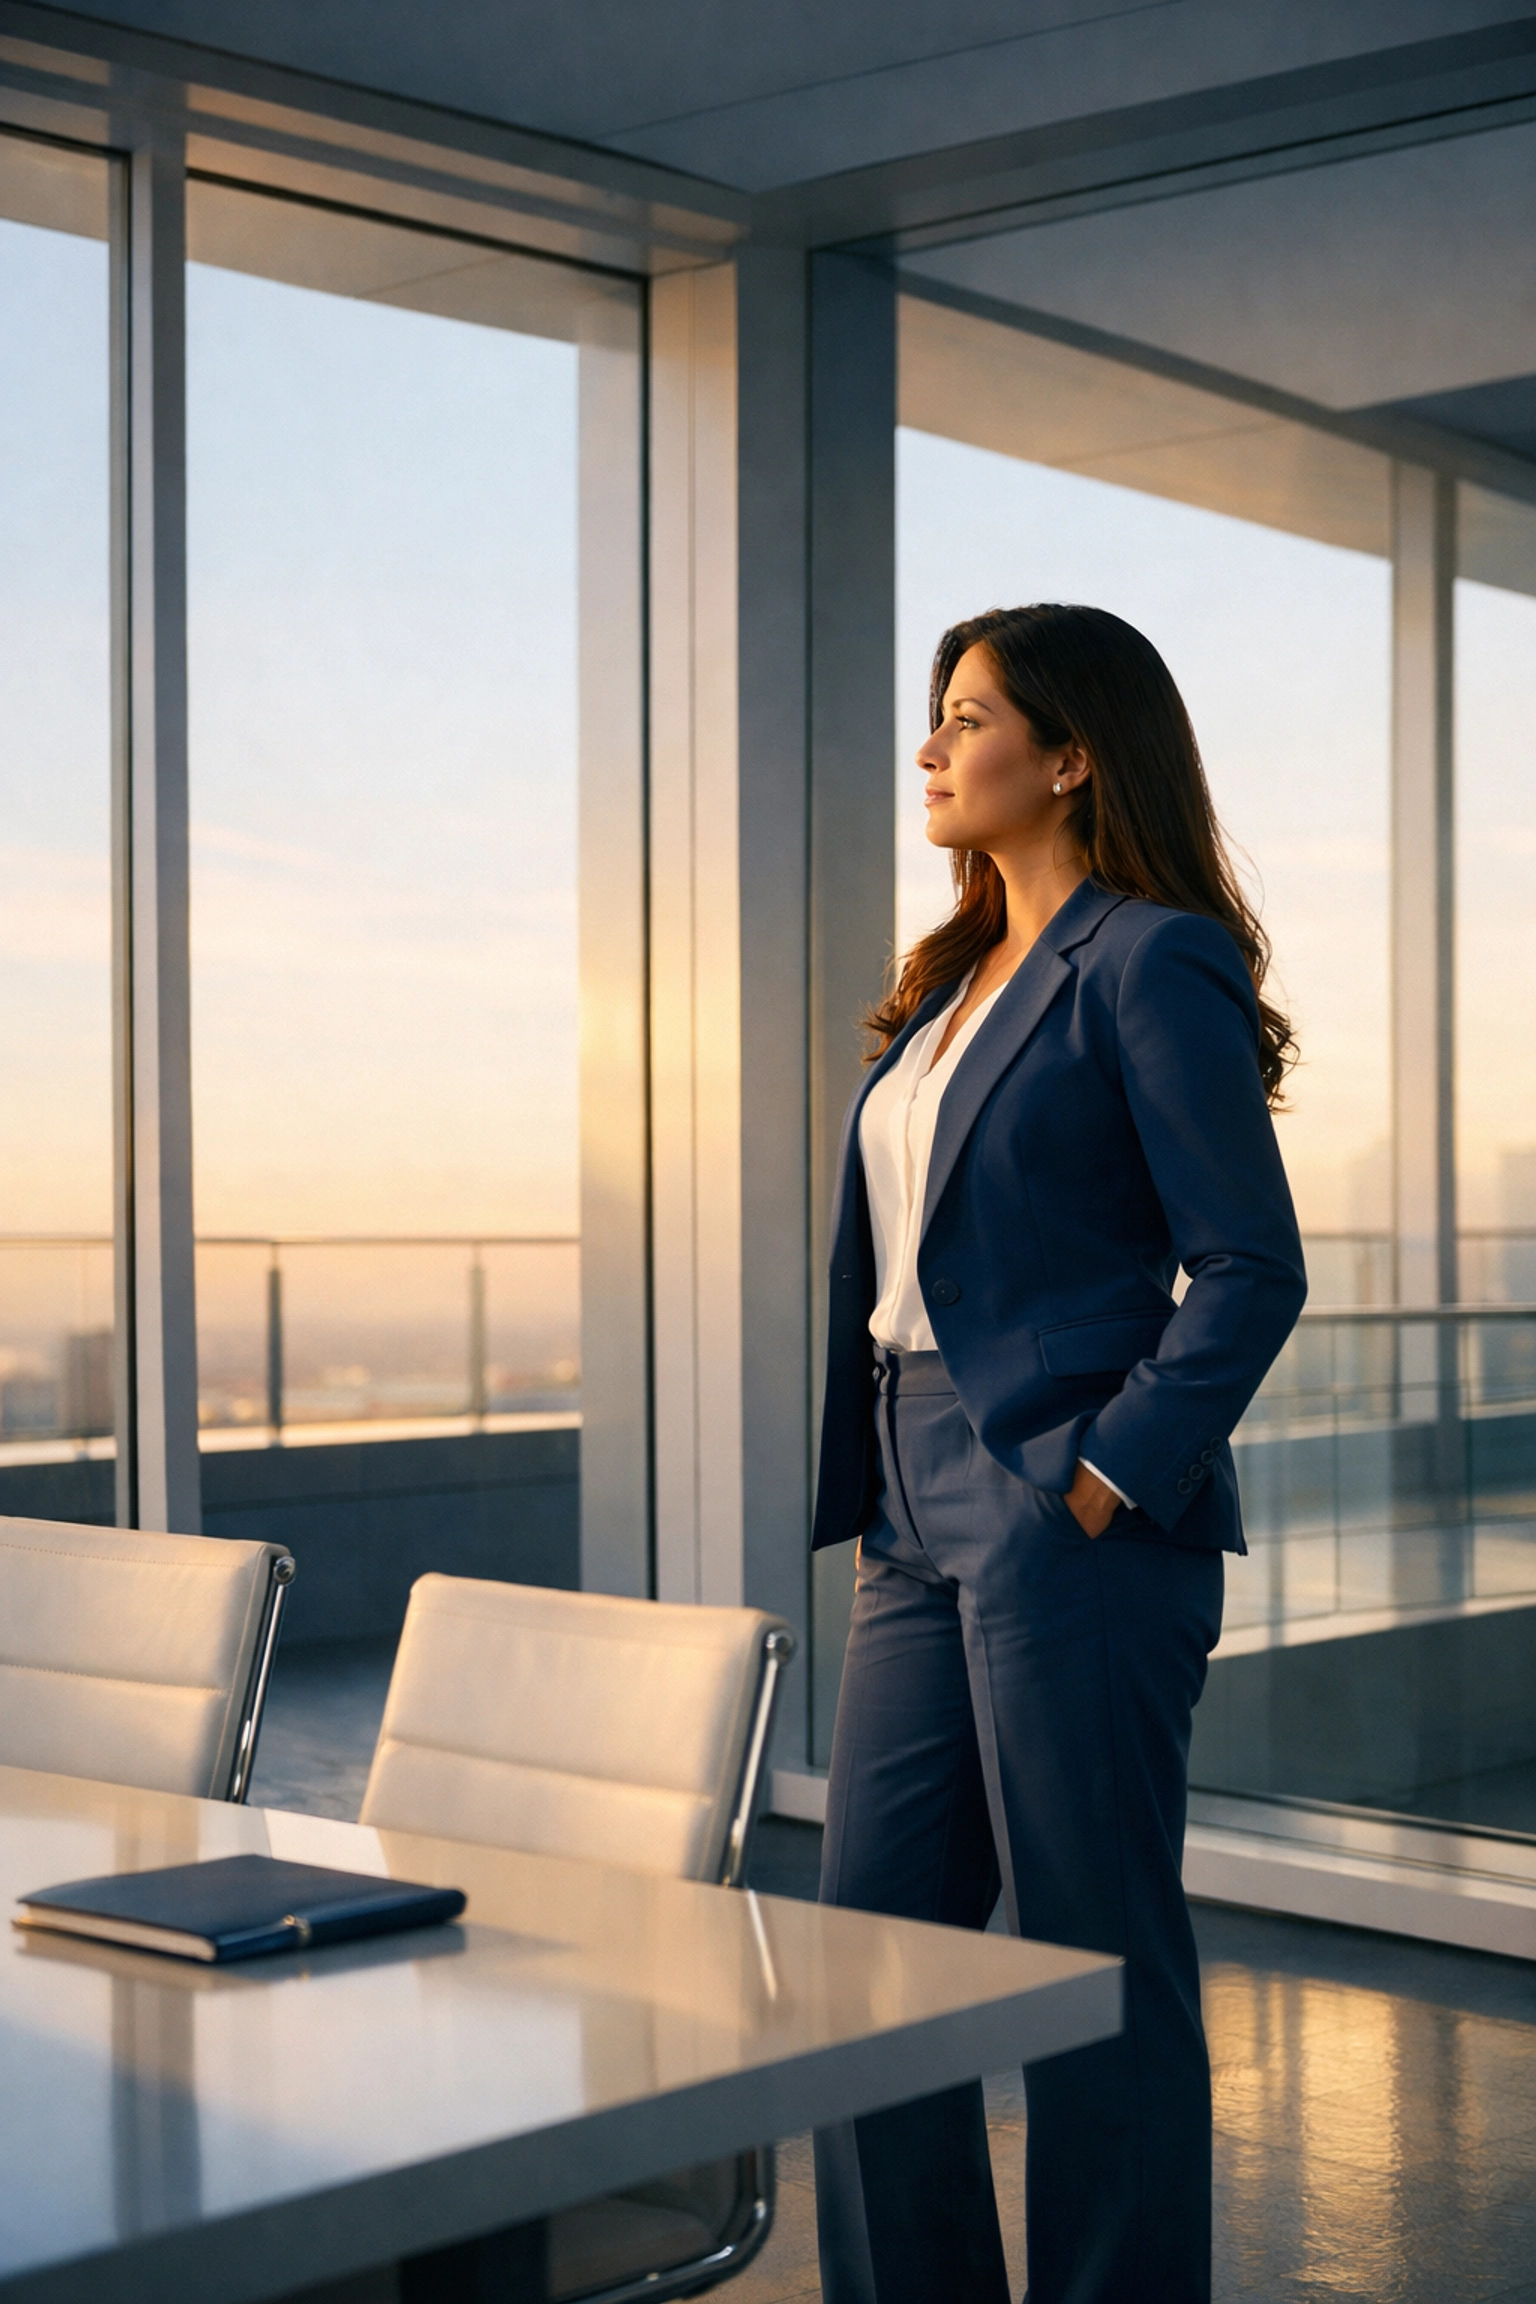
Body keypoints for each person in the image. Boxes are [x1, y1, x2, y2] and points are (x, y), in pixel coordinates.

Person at [811, 603, 1307, 2304]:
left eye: (966, 717)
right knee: (870, 1952)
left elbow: (1250, 1264)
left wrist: (1104, 1477)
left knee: (1095, 1965)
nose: (932, 749)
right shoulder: (951, 980)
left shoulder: (1147, 956)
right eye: (934, 717)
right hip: (904, 1496)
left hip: (1057, 1500)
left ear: (1072, 754)